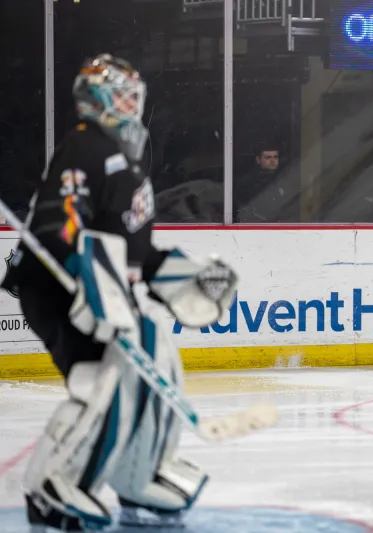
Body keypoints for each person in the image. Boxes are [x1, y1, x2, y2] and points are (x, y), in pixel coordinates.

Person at [0, 54, 237, 531]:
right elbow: (57, 223)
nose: (133, 103)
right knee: (103, 382)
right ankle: (54, 485)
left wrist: (180, 275)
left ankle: (139, 473)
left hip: (103, 285)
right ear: (97, 98)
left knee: (157, 360)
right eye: (124, 94)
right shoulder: (86, 148)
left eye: (136, 95)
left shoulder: (121, 158)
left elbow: (136, 250)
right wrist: (92, 285)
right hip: (59, 286)